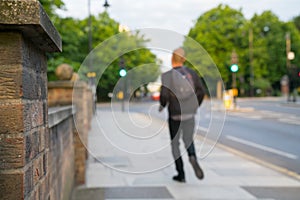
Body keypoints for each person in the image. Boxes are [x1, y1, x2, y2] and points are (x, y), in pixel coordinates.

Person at [159, 47, 205, 182]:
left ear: (172, 59)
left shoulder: (167, 76)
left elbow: (164, 95)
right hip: (189, 114)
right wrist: (195, 106)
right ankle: (192, 156)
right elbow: (201, 91)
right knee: (188, 140)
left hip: (175, 115)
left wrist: (162, 105)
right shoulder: (192, 74)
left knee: (175, 144)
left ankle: (181, 174)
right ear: (184, 60)